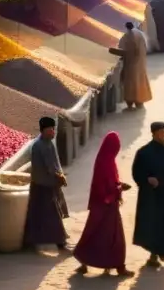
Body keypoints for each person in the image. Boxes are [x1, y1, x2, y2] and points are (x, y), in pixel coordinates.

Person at [74, 132, 134, 276]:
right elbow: (103, 187)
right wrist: (119, 188)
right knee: (114, 237)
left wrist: (118, 185)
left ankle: (85, 261)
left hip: (102, 205)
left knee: (94, 233)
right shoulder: (105, 162)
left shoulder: (106, 160)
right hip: (105, 205)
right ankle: (118, 266)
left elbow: (109, 182)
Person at [132, 121, 164, 267]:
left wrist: (161, 181)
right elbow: (136, 173)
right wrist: (147, 180)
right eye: (161, 133)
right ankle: (153, 254)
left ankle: (163, 251)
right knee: (150, 223)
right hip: (148, 195)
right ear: (154, 134)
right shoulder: (143, 152)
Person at [23, 117, 70, 250]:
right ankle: (60, 241)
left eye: (53, 129)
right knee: (51, 215)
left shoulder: (49, 143)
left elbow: (55, 164)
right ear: (43, 130)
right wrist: (59, 177)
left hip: (47, 184)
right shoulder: (39, 146)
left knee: (40, 214)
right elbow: (50, 167)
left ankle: (32, 241)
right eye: (50, 129)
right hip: (43, 185)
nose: (53, 132)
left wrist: (59, 175)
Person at [110, 22, 152, 109]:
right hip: (140, 63)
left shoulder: (128, 36)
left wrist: (111, 50)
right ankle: (139, 101)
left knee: (130, 84)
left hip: (131, 64)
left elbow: (126, 52)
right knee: (140, 82)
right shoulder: (140, 34)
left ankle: (130, 102)